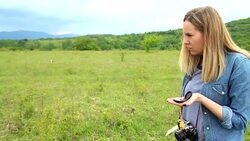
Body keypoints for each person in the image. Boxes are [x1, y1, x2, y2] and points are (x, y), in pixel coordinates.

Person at [167, 6, 250, 141]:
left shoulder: (239, 65)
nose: (185, 41)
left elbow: (240, 121)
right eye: (184, 35)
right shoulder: (193, 66)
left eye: (189, 35)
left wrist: (202, 99)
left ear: (209, 34)